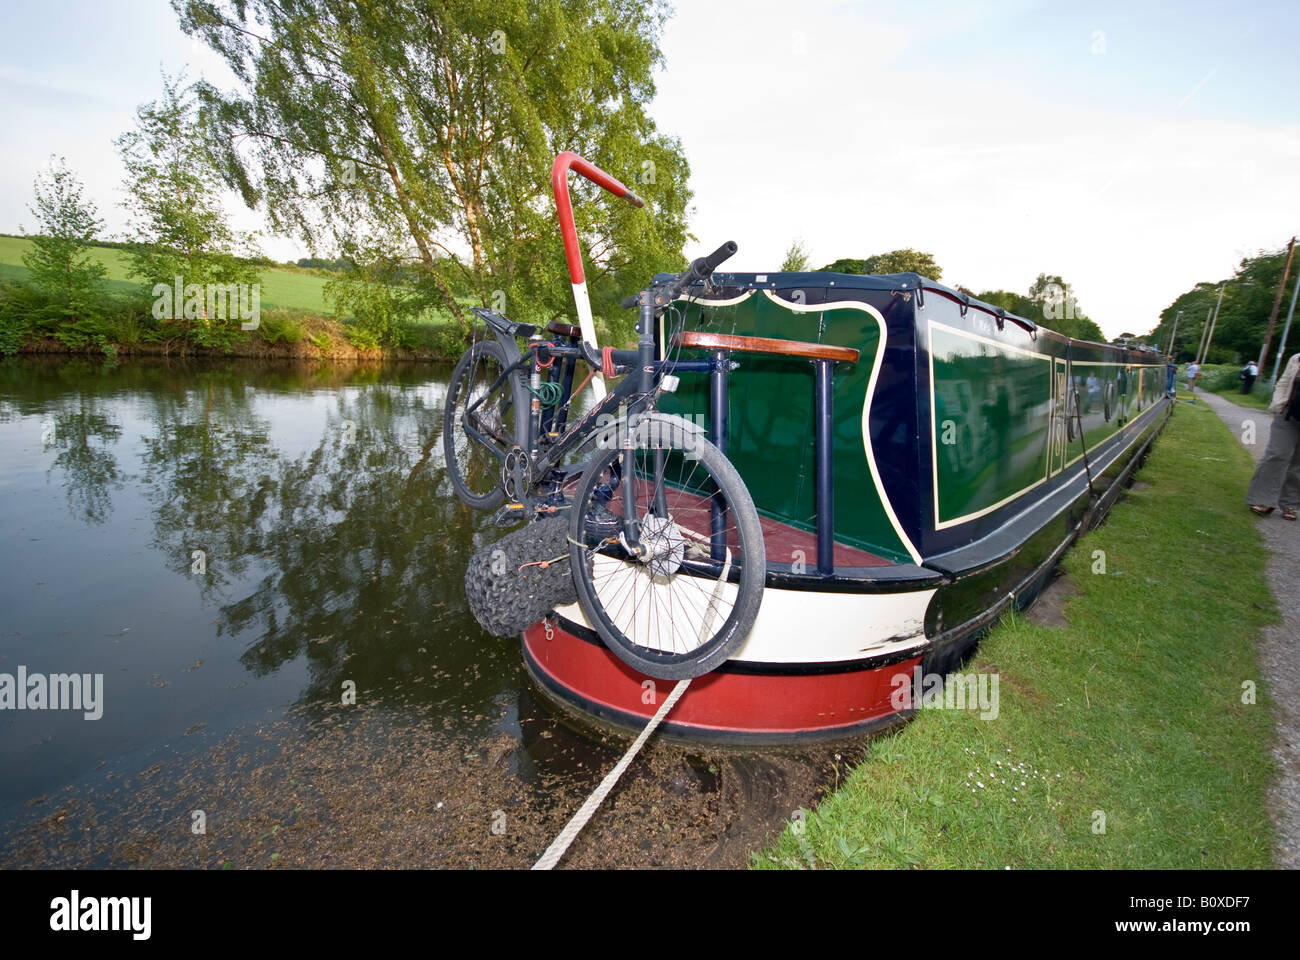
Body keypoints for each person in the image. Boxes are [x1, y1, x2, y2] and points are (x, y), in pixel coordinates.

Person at [1247, 351, 1300, 520]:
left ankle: (1291, 504)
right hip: (1289, 414)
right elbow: (1283, 383)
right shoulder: (1297, 358)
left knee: (1298, 464)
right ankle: (1264, 499)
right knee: (1277, 454)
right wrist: (1279, 403)